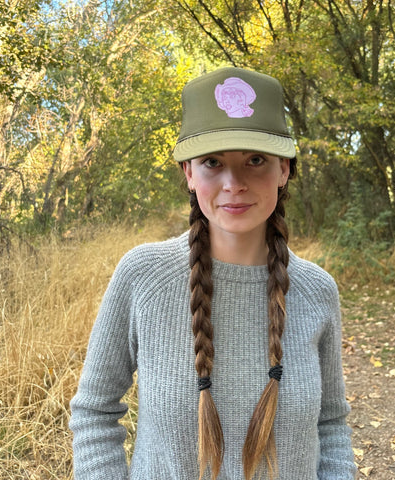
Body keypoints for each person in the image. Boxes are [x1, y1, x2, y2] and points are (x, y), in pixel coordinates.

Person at [69, 67, 357, 480]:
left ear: (284, 170)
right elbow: (94, 413)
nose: (233, 183)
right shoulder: (143, 276)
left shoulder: (316, 290)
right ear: (189, 173)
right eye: (212, 162)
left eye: (255, 160)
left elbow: (330, 426)